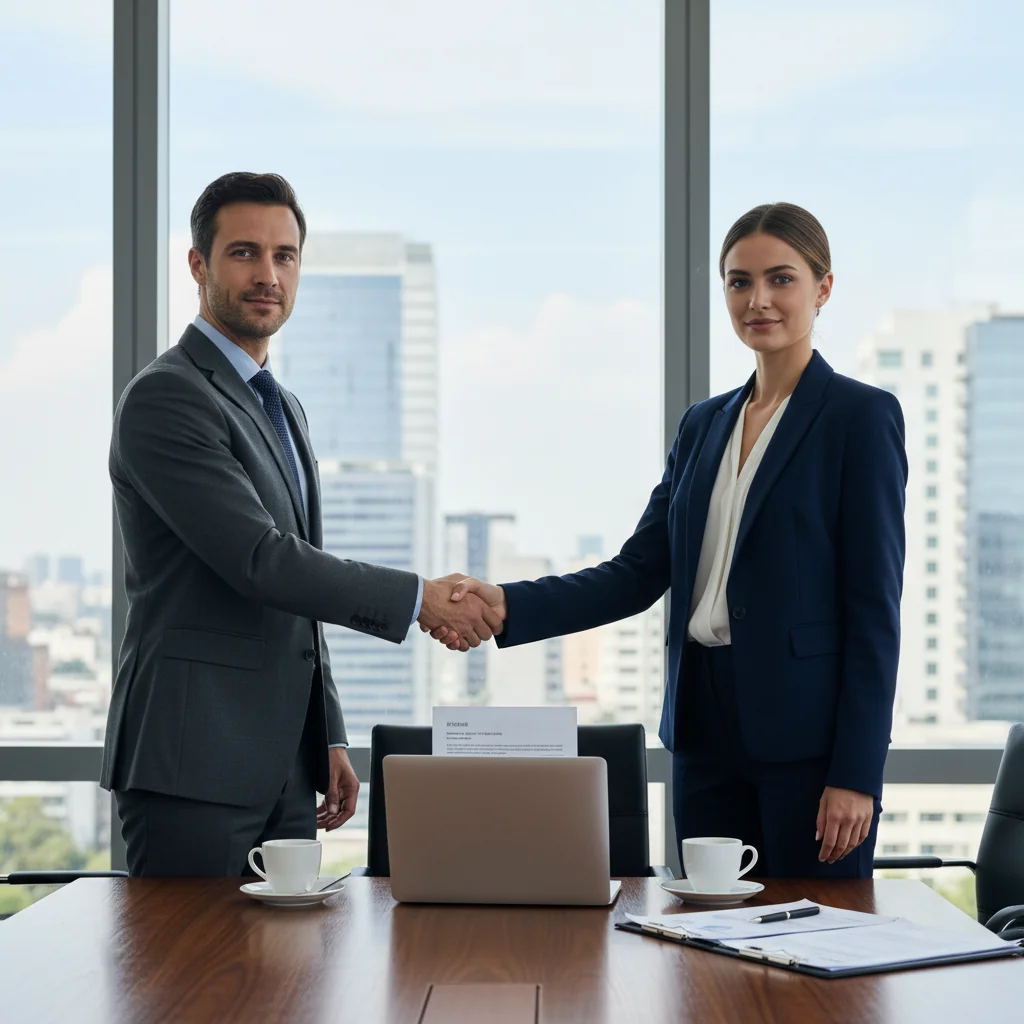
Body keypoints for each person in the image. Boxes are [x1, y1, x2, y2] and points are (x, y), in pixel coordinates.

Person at [430, 203, 907, 878]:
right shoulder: (703, 425)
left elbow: (873, 610)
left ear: (822, 288)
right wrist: (504, 604)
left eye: (781, 279)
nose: (758, 300)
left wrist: (858, 773)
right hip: (703, 731)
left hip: (807, 744)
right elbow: (637, 571)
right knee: (708, 950)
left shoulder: (860, 418)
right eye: (739, 282)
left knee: (812, 951)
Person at [102, 171, 501, 876]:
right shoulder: (167, 397)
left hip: (285, 768)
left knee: (285, 981)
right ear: (199, 265)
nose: (267, 275)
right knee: (188, 981)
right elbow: (261, 560)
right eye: (244, 253)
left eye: (284, 256)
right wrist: (419, 599)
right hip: (192, 763)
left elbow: (296, 591)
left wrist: (329, 736)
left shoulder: (281, 405)